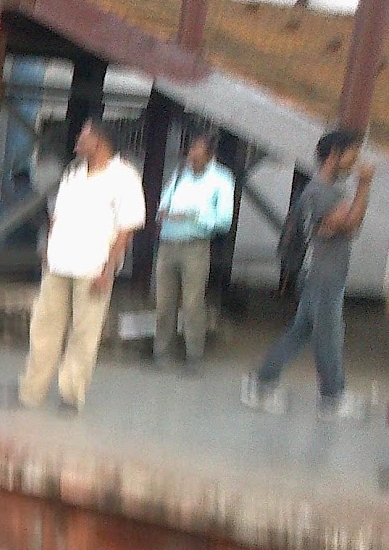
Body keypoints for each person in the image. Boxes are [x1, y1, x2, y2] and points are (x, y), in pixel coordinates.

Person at [7, 118, 145, 413]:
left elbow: (126, 229)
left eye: (84, 134)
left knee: (84, 334)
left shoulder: (124, 178)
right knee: (43, 328)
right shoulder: (74, 173)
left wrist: (108, 270)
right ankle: (30, 392)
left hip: (92, 268)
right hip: (58, 264)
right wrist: (47, 247)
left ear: (99, 141)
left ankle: (71, 395)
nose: (78, 139)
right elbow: (57, 215)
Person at [243, 129, 374, 419]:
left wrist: (346, 215)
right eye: (352, 154)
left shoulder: (327, 191)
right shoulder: (320, 191)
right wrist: (364, 186)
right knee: (328, 335)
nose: (355, 161)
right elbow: (350, 223)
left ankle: (261, 382)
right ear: (334, 155)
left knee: (302, 331)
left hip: (326, 273)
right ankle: (332, 399)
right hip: (322, 276)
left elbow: (344, 224)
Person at [153, 131, 234, 373]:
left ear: (210, 156)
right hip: (168, 243)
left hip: (195, 245)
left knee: (192, 303)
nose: (192, 158)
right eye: (191, 153)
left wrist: (194, 215)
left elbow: (224, 220)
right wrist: (164, 213)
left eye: (198, 154)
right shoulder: (180, 174)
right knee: (164, 302)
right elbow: (163, 205)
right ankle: (162, 352)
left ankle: (193, 356)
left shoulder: (221, 179)